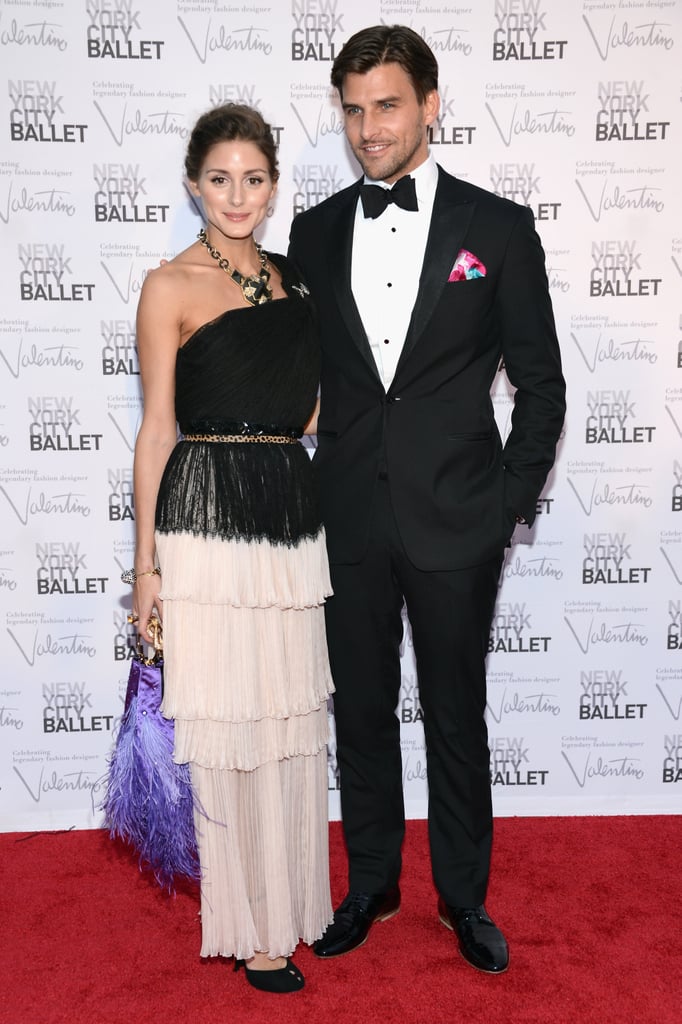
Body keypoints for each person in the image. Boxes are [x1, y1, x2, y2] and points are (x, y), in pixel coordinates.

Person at [288, 25, 566, 974]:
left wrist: (506, 507)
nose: (370, 128)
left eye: (389, 106)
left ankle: (463, 896)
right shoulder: (314, 230)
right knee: (360, 709)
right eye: (355, 110)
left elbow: (542, 385)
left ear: (430, 104)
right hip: (349, 515)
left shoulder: (497, 228)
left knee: (455, 712)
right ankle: (371, 882)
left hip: (459, 520)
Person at [128, 102, 334, 994]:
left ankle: (292, 906)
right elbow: (157, 430)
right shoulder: (169, 284)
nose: (237, 195)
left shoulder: (296, 284)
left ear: (274, 187)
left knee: (288, 718)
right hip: (204, 519)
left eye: (254, 178)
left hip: (289, 513)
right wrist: (146, 567)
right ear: (193, 184)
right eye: (220, 178)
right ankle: (252, 929)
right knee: (224, 726)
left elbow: (315, 411)